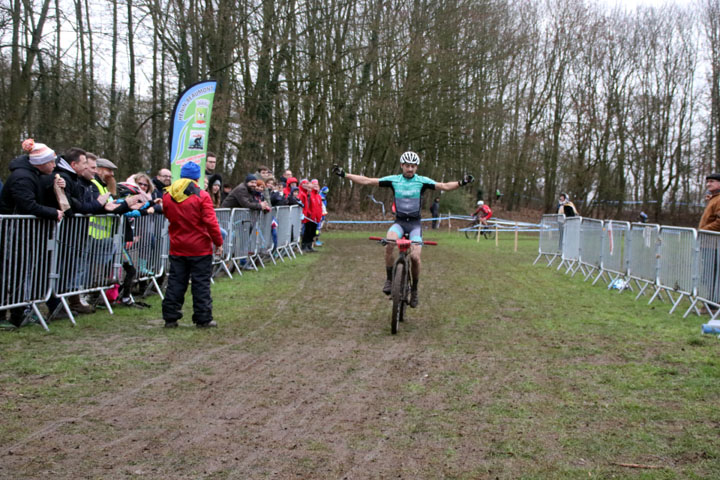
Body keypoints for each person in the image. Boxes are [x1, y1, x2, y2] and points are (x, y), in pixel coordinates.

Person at [332, 151, 473, 307]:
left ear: (416, 167)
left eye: (413, 166)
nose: (410, 169)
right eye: (407, 166)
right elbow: (367, 181)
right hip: (399, 222)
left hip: (414, 225)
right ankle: (389, 279)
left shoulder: (422, 181)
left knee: (415, 257)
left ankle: (414, 290)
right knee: (389, 242)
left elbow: (444, 186)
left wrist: (462, 182)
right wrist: (344, 175)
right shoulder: (394, 180)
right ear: (402, 166)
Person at [0, 139, 65, 327]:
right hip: (15, 231)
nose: (54, 165)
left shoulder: (33, 174)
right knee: (13, 272)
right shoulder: (22, 177)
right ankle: (10, 314)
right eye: (51, 162)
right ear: (41, 163)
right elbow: (27, 204)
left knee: (21, 271)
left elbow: (40, 191)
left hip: (24, 232)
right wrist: (53, 213)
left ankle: (19, 313)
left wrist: (56, 184)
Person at [162, 161, 223, 328]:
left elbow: (168, 216)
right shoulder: (202, 196)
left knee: (175, 282)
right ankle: (203, 318)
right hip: (199, 247)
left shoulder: (168, 195)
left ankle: (170, 317)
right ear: (197, 177)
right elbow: (211, 222)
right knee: (201, 283)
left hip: (177, 245)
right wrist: (218, 242)